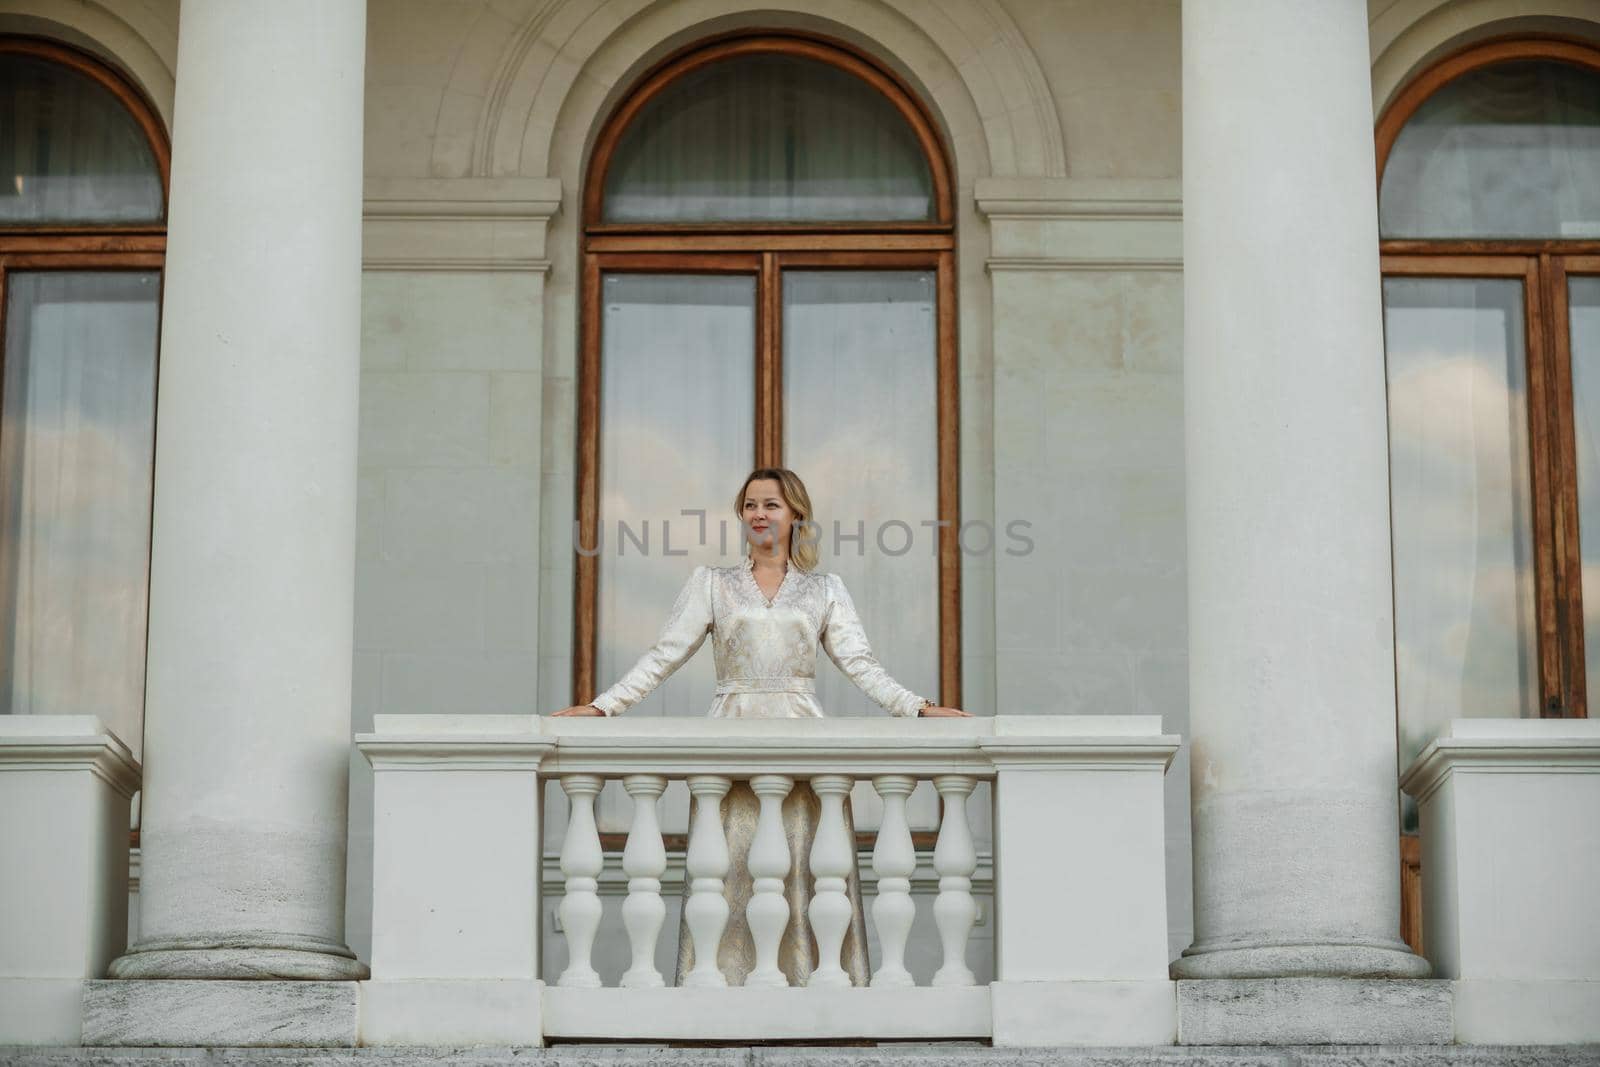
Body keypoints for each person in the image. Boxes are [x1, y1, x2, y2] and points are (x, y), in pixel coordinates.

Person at [550, 467, 970, 987]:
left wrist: (918, 707)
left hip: (802, 744)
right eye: (750, 504)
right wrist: (602, 707)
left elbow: (861, 665)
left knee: (805, 870)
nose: (759, 514)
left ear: (795, 515)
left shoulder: (824, 589)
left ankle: (811, 997)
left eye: (771, 504)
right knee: (727, 871)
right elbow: (663, 657)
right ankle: (718, 998)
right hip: (731, 740)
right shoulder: (712, 583)